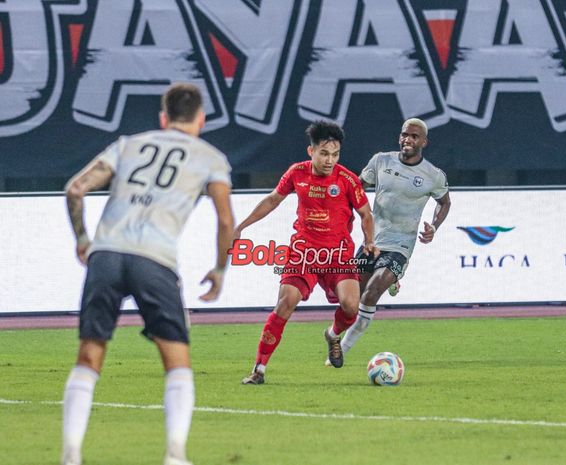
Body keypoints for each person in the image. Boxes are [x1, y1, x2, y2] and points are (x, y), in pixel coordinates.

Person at [62, 83, 235, 465]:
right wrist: (220, 268)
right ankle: (174, 454)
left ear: (163, 117)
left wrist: (82, 239)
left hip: (106, 254)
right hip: (154, 260)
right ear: (201, 119)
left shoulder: (129, 144)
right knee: (176, 361)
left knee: (89, 355)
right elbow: (225, 219)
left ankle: (71, 454)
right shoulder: (210, 157)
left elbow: (75, 189)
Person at [237, 121, 377, 385]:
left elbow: (366, 214)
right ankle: (259, 369)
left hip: (337, 255)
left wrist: (369, 241)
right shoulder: (296, 173)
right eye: (324, 153)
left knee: (351, 307)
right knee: (285, 302)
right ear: (311, 151)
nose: (330, 160)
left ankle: (333, 334)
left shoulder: (347, 179)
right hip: (304, 254)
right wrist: (241, 226)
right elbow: (272, 200)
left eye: (335, 155)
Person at [336, 117, 450, 358]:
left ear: (424, 142)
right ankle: (393, 280)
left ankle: (341, 349)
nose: (407, 139)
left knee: (373, 291)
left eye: (414, 136)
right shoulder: (380, 161)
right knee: (350, 299)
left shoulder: (433, 175)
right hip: (373, 241)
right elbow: (358, 188)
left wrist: (435, 226)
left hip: (401, 244)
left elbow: (444, 202)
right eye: (404, 135)